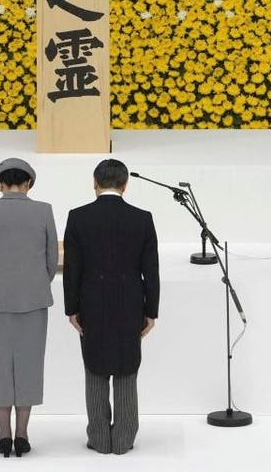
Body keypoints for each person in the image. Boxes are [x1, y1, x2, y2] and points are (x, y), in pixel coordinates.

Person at [62, 159, 160, 455]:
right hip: (130, 300)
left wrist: (71, 308)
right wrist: (151, 311)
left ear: (95, 182)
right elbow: (151, 271)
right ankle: (124, 439)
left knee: (95, 368)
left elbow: (72, 269)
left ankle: (100, 438)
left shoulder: (77, 217)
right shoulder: (142, 218)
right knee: (127, 368)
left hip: (90, 300)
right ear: (125, 184)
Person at [0, 158, 59, 458]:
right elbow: (51, 260)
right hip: (33, 299)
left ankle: (3, 433)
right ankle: (22, 433)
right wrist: (33, 283)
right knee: (29, 365)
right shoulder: (43, 210)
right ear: (29, 184)